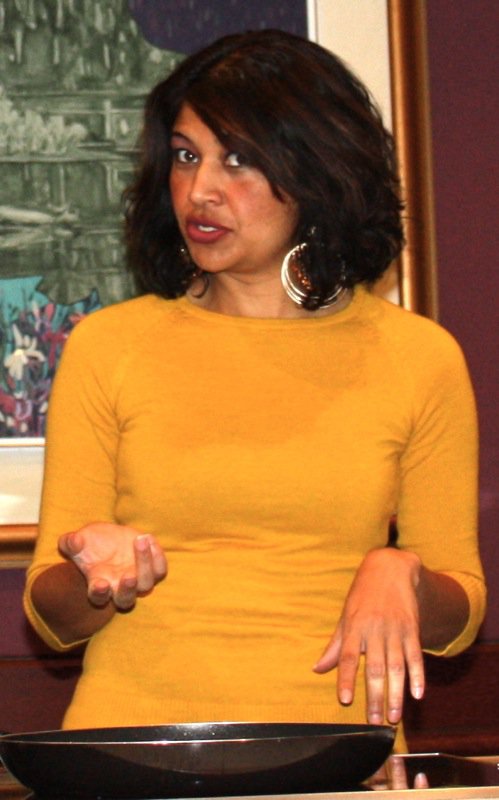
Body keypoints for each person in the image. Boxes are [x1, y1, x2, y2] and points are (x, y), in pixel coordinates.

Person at [24, 29, 485, 749]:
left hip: (341, 756)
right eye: (186, 156)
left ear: (317, 171)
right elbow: (50, 616)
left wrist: (405, 574)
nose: (199, 190)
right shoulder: (109, 346)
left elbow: (460, 617)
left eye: (237, 160)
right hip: (136, 751)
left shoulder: (418, 358)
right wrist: (94, 573)